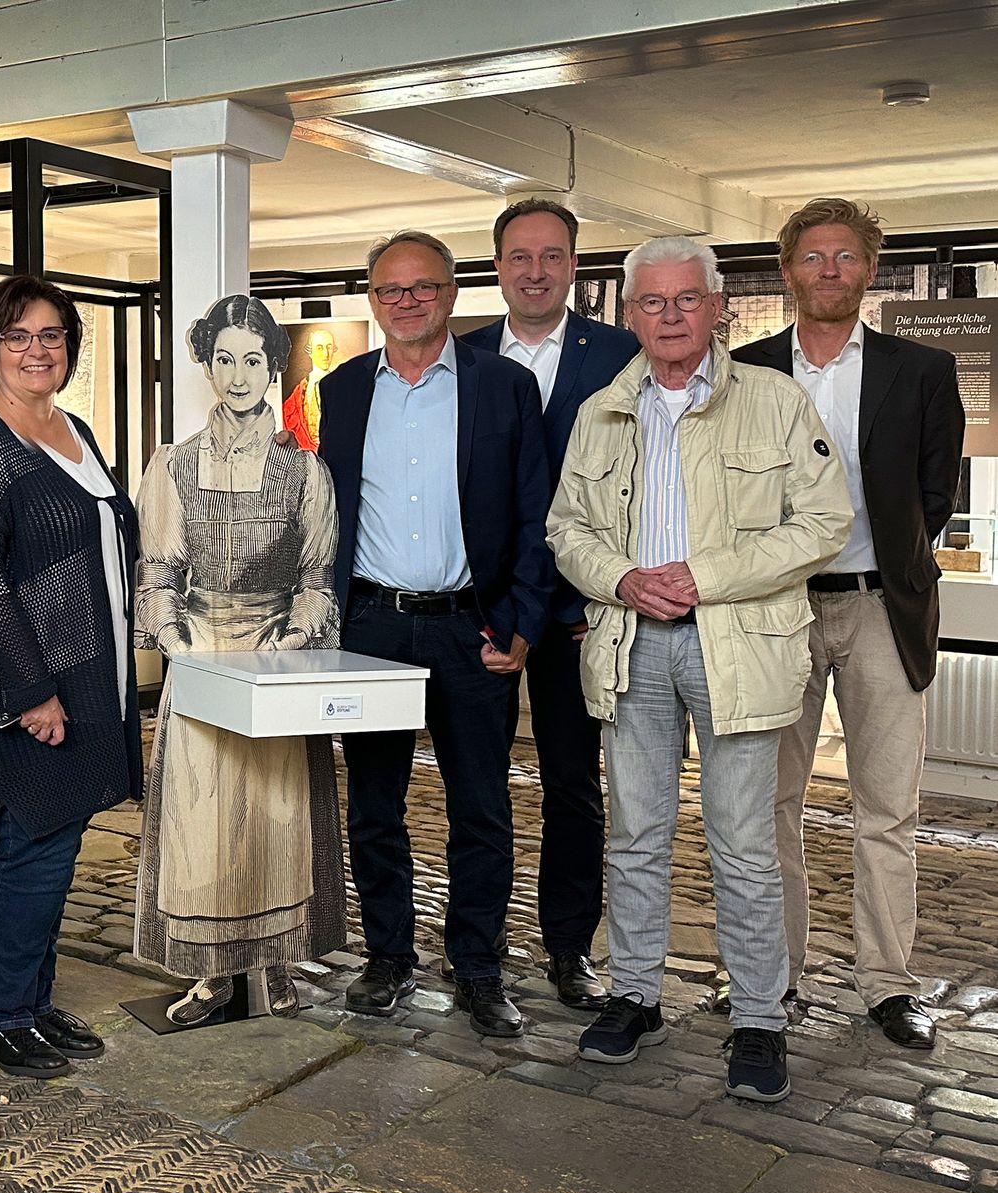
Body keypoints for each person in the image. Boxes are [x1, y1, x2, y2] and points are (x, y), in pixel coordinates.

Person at [547, 235, 851, 1103]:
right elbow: (567, 528)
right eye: (653, 301)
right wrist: (621, 578)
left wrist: (703, 576)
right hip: (630, 644)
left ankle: (758, 1017)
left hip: (738, 647)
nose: (671, 315)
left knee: (744, 843)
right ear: (631, 313)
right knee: (635, 834)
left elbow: (822, 523)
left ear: (717, 308)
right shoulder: (602, 410)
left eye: (688, 299)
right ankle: (636, 995)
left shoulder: (776, 401)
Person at [734, 198, 966, 1049]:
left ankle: (888, 984)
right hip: (774, 612)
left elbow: (935, 494)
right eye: (812, 256)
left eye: (844, 256)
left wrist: (892, 562)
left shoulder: (923, 369)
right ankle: (772, 978)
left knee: (887, 808)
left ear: (870, 269)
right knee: (766, 806)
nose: (828, 270)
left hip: (881, 608)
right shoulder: (746, 371)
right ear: (787, 271)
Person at [319, 229, 556, 1039]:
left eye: (424, 286)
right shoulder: (343, 389)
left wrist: (521, 621)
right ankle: (388, 957)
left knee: (481, 807)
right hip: (373, 626)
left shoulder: (504, 385)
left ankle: (478, 965)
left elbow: (536, 514)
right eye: (391, 289)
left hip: (472, 629)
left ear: (452, 294)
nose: (408, 301)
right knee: (374, 805)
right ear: (373, 300)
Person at [0, 274, 142, 1079]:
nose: (37, 350)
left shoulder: (73, 429)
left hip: (84, 675)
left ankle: (34, 1003)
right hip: (20, 684)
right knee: (33, 844)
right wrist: (32, 688)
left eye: (52, 335)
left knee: (57, 842)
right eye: (18, 336)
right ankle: (2, 1017)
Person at [133, 294, 345, 1025]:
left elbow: (317, 579)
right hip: (200, 657)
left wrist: (291, 642)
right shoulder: (174, 466)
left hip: (276, 658)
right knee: (202, 820)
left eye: (253, 360)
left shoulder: (306, 473)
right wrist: (179, 645)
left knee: (277, 814)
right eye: (224, 359)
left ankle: (277, 960)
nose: (238, 376)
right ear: (207, 366)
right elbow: (158, 575)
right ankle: (211, 973)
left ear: (272, 368)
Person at [462, 198, 641, 1010]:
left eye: (552, 256)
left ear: (574, 265)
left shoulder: (622, 353)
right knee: (479, 786)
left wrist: (619, 583)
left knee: (574, 785)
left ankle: (570, 948)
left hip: (582, 614)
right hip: (483, 611)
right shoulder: (460, 356)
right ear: (497, 266)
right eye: (520, 257)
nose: (535, 271)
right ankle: (479, 948)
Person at [282, 327, 337, 450]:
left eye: (329, 347)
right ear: (310, 351)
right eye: (319, 348)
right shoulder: (300, 391)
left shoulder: (342, 385)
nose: (325, 354)